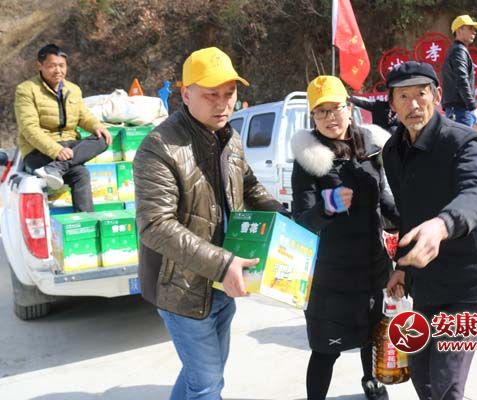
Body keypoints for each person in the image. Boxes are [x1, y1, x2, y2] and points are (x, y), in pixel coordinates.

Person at [133, 47, 287, 400]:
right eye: (210, 94)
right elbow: (155, 225)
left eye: (229, 93)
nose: (222, 104)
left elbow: (249, 184)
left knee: (200, 376)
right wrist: (224, 263)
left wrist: (281, 217)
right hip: (180, 288)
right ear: (186, 94)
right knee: (207, 386)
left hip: (221, 282)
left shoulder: (229, 137)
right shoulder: (159, 147)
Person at [382, 61, 477, 400]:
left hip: (467, 284)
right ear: (392, 104)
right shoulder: (392, 151)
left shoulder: (461, 141)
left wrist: (442, 225)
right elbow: (408, 214)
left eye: (421, 94)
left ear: (437, 96)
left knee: (446, 382)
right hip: (426, 280)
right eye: (403, 97)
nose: (413, 105)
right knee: (422, 376)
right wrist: (402, 266)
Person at [291, 75, 400, 400]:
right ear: (312, 117)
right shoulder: (308, 158)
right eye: (321, 111)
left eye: (336, 108)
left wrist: (409, 220)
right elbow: (302, 221)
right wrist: (327, 207)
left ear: (349, 108)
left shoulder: (371, 147)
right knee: (326, 349)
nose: (330, 117)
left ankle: (371, 381)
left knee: (372, 335)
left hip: (372, 265)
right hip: (331, 275)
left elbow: (384, 200)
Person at [14, 43, 111, 212]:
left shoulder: (73, 89)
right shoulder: (26, 90)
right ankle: (56, 168)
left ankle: (56, 169)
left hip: (69, 147)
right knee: (80, 173)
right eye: (52, 66)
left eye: (62, 65)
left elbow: (83, 116)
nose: (58, 70)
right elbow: (29, 128)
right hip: (39, 151)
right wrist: (56, 150)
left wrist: (97, 126)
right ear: (40, 65)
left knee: (102, 139)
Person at [441, 14, 477, 127]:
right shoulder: (459, 51)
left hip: (458, 109)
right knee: (463, 138)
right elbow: (461, 80)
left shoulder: (457, 50)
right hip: (459, 110)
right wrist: (472, 107)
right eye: (470, 28)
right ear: (459, 30)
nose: (474, 32)